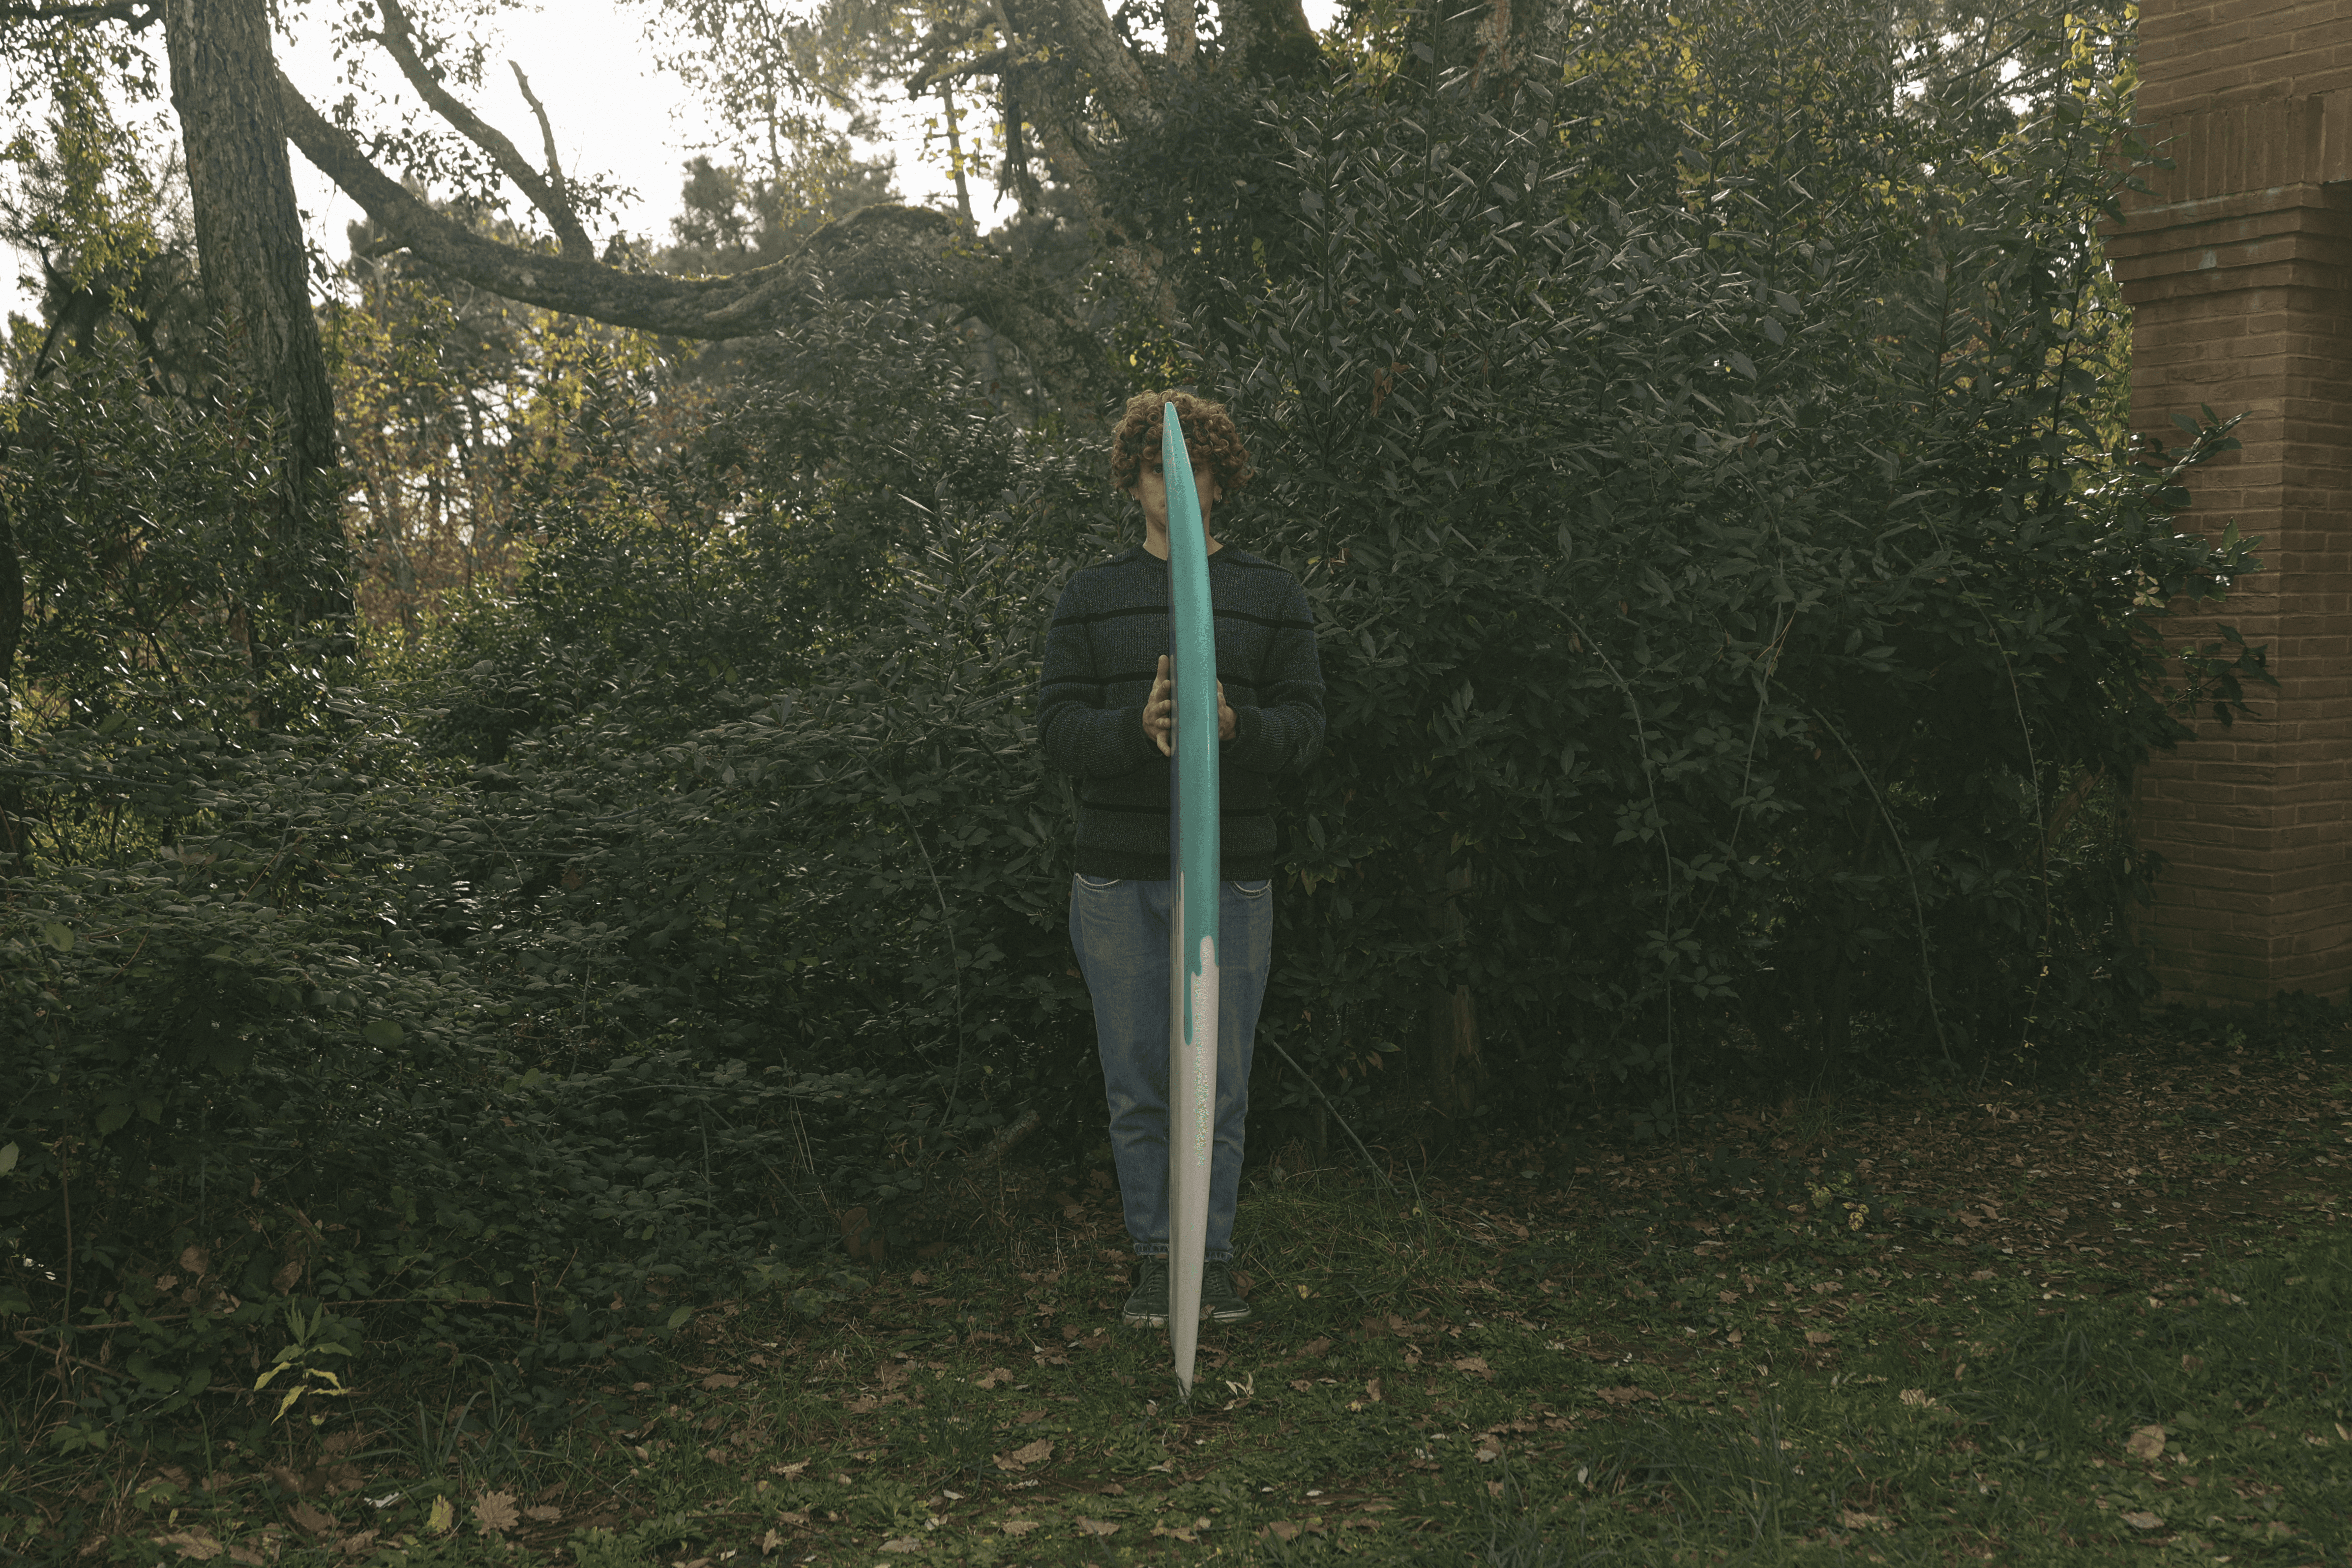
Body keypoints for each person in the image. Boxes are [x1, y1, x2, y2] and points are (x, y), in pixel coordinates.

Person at [1037, 389, 1325, 1328]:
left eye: (1195, 465)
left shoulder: (1271, 595)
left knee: (1220, 1080)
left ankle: (1215, 1260)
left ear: (1221, 476)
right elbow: (1055, 729)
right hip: (1116, 876)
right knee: (1138, 1079)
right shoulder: (1090, 593)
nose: (1178, 482)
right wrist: (1138, 726)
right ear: (1133, 479)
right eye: (1161, 466)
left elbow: (1309, 729)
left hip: (1231, 873)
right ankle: (1156, 1259)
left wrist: (1236, 729)